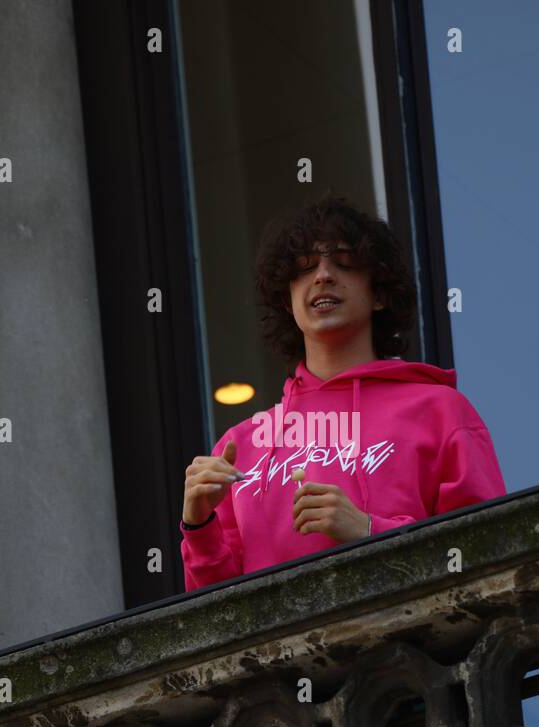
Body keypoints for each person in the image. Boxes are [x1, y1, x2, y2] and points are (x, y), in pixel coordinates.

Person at [180, 193, 505, 591]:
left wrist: (369, 530)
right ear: (287, 300)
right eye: (304, 267)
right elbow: (216, 617)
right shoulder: (240, 445)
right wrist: (198, 525)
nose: (322, 275)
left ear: (380, 293)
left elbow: (487, 560)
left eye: (343, 261)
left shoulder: (440, 411)